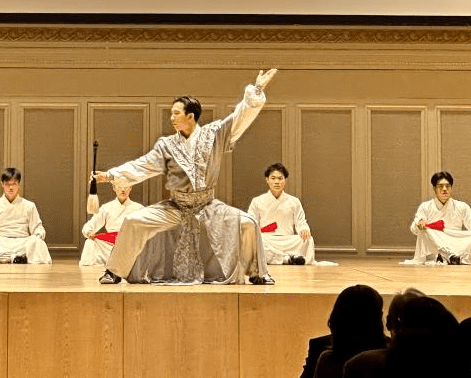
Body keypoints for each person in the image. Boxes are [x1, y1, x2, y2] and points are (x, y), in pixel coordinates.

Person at [93, 69, 278, 285]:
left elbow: (239, 118)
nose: (171, 118)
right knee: (134, 221)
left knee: (248, 223)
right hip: (176, 207)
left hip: (208, 206)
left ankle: (257, 272)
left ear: (190, 116)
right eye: (171, 113)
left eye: (176, 113)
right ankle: (114, 271)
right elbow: (143, 165)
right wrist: (111, 175)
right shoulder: (167, 145)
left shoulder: (215, 134)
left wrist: (255, 92)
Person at [409, 171, 471, 265]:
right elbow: (414, 229)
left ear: (451, 188)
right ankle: (447, 255)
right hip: (434, 248)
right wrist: (420, 223)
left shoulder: (461, 206)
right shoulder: (425, 206)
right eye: (440, 186)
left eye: (447, 186)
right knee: (426, 230)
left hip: (455, 245)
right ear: (434, 188)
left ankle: (451, 256)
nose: (444, 189)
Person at [247, 162, 314, 265]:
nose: (277, 182)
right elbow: (250, 224)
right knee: (255, 241)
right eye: (273, 178)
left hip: (288, 240)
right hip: (267, 240)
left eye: (280, 178)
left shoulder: (294, 201)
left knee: (308, 240)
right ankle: (286, 259)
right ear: (267, 180)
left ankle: (283, 258)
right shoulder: (257, 201)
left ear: (285, 180)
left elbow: (301, 222)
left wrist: (304, 229)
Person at [79, 183, 144, 267]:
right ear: (114, 188)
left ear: (130, 188)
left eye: (126, 187)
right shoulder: (106, 207)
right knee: (90, 242)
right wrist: (89, 232)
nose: (123, 190)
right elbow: (90, 225)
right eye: (119, 187)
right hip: (109, 244)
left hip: (129, 242)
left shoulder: (139, 208)